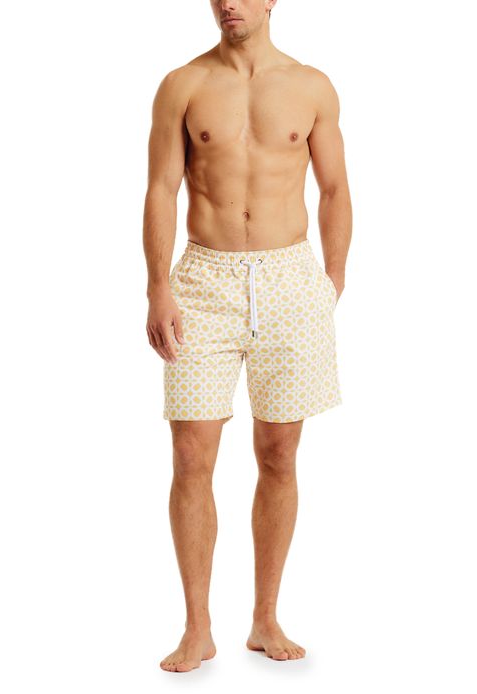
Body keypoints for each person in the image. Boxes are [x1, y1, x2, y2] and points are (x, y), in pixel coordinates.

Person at [143, 0, 352, 673]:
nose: (228, 3)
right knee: (190, 455)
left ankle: (265, 617)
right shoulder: (183, 84)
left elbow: (334, 188)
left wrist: (332, 279)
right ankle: (197, 627)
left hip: (291, 278)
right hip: (204, 281)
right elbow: (161, 187)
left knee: (280, 454)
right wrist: (157, 286)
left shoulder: (311, 85)